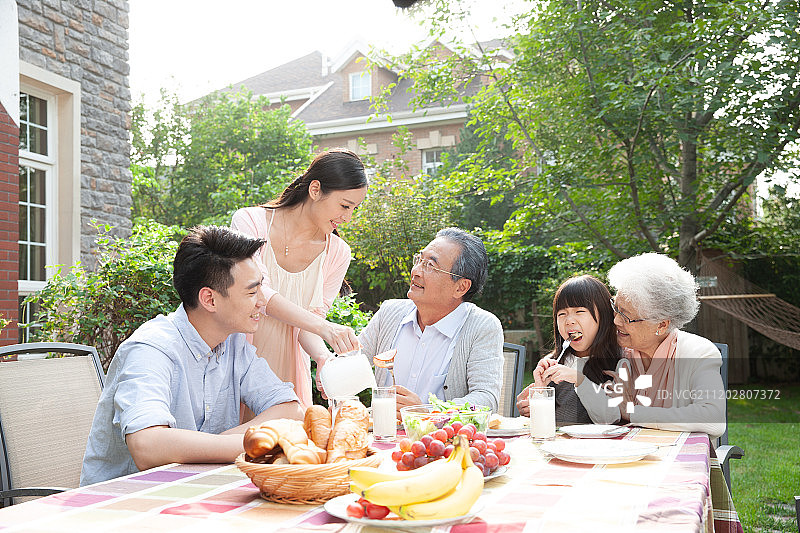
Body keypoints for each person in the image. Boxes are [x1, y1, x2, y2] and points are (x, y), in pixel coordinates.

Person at [80, 226, 305, 486]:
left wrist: (216, 444)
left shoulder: (233, 343)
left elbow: (290, 409)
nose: (262, 302)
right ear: (209, 299)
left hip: (197, 488)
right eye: (252, 292)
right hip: (126, 498)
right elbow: (147, 446)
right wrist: (249, 443)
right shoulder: (151, 349)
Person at [231, 149, 368, 409]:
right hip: (236, 366)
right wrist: (325, 328)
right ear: (315, 190)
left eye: (354, 209)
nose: (347, 218)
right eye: (344, 206)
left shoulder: (337, 253)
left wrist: (323, 357)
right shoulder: (250, 222)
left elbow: (309, 323)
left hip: (288, 378)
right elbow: (259, 293)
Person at [360, 228, 504, 416]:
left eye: (430, 265)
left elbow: (486, 399)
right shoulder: (390, 312)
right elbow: (352, 363)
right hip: (382, 431)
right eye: (419, 260)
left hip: (440, 435)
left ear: (461, 287)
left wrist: (428, 413)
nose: (416, 271)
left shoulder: (482, 327)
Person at [606, 252, 726, 438]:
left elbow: (712, 418)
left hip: (680, 454)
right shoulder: (616, 351)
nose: (615, 321)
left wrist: (633, 413)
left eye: (626, 316)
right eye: (616, 308)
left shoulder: (699, 353)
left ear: (661, 325)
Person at [515, 275, 621, 425]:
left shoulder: (620, 362)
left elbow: (611, 419)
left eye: (579, 311)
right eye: (562, 314)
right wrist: (538, 396)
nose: (569, 321)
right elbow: (545, 423)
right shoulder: (553, 363)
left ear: (604, 316)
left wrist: (580, 380)